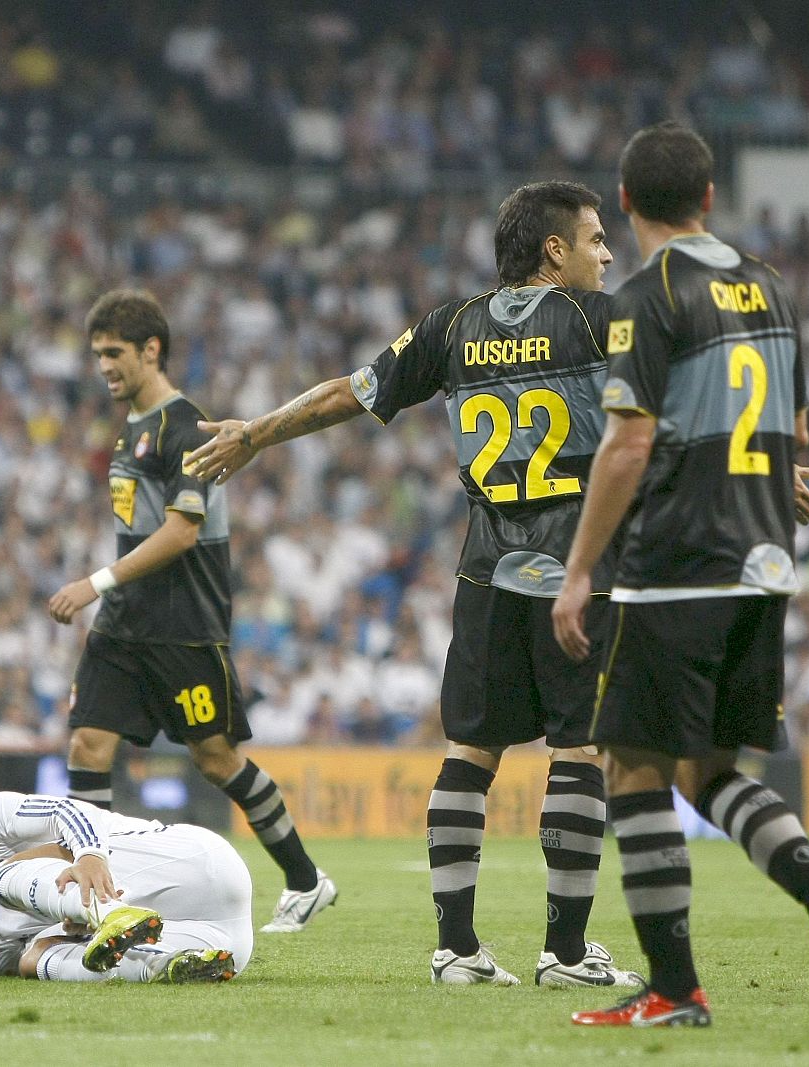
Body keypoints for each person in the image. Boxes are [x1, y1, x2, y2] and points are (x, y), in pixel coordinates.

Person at [187, 181, 640, 990]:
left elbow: (349, 393)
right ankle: (566, 954)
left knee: (471, 750)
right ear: (554, 250)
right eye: (596, 239)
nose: (608, 254)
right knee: (579, 749)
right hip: (575, 565)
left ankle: (456, 949)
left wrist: (254, 432)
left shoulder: (452, 327)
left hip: (486, 570)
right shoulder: (599, 321)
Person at [551, 123, 809, 1028]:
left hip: (680, 562)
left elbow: (629, 439)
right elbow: (795, 431)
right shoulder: (768, 285)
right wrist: (766, 482)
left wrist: (579, 571)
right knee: (711, 772)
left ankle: (673, 988)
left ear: (625, 200)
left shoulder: (646, 293)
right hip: (765, 558)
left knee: (632, 764)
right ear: (708, 198)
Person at [47, 289, 333, 935]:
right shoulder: (130, 426)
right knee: (89, 743)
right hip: (125, 622)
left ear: (152, 349)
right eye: (97, 355)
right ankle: (86, 897)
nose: (104, 367)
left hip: (184, 623)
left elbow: (180, 532)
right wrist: (109, 592)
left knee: (215, 758)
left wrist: (93, 581)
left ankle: (306, 879)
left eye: (114, 353)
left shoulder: (187, 427)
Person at [0, 791, 249, 982]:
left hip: (186, 861)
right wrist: (62, 934)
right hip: (223, 936)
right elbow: (63, 955)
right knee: (34, 961)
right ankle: (163, 967)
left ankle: (109, 912)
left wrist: (88, 855)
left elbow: (69, 811)